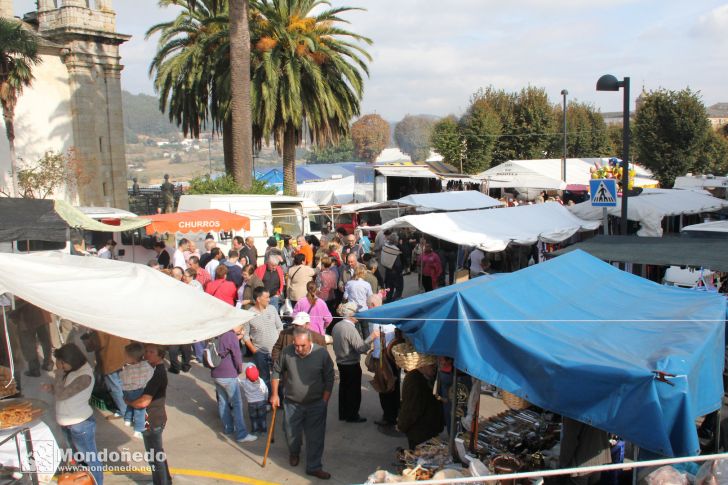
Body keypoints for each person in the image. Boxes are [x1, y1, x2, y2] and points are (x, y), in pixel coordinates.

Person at [270, 327, 335, 480]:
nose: (298, 349)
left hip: (316, 403)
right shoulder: (287, 351)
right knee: (291, 433)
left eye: (302, 346)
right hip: (291, 403)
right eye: (296, 345)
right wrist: (274, 394)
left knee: (315, 437)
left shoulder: (322, 354)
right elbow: (276, 371)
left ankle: (314, 467)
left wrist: (324, 400)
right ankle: (294, 452)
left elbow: (329, 377)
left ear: (310, 342)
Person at [42, 344, 103, 485]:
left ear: (72, 360)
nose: (61, 365)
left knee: (90, 460)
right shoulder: (73, 371)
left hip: (80, 425)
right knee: (78, 460)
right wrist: (51, 388)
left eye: (62, 362)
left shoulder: (84, 376)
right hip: (69, 424)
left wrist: (58, 372)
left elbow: (62, 395)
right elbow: (63, 391)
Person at [126, 344, 172, 485]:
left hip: (151, 420)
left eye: (151, 352)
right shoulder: (150, 369)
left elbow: (143, 402)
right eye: (146, 351)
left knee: (155, 456)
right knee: (157, 454)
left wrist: (128, 402)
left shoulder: (156, 374)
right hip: (155, 418)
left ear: (160, 355)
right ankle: (165, 480)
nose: (147, 354)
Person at [332, 302, 379, 423]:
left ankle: (344, 413)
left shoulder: (337, 326)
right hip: (351, 363)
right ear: (351, 315)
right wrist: (371, 337)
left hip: (341, 362)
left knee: (344, 389)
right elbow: (361, 348)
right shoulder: (350, 329)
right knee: (353, 391)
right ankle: (352, 415)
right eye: (356, 313)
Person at [211, 324, 256, 443]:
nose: (242, 328)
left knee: (223, 402)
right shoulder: (230, 336)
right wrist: (240, 369)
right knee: (237, 404)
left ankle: (228, 428)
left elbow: (224, 346)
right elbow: (237, 355)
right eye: (241, 326)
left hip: (216, 374)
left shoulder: (220, 332)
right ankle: (242, 434)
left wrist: (238, 337)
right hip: (228, 375)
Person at [366, 295, 401, 430]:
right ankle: (395, 412)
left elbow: (376, 340)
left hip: (383, 358)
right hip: (393, 356)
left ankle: (388, 416)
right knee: (395, 385)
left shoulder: (376, 320)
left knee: (384, 386)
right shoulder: (390, 315)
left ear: (374, 305)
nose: (368, 308)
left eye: (369, 306)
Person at [243, 287, 283, 393]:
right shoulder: (249, 314)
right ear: (258, 299)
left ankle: (279, 399)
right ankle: (267, 400)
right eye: (267, 297)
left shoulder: (272, 309)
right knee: (264, 378)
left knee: (278, 377)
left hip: (275, 352)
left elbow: (280, 327)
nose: (269, 299)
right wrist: (254, 351)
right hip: (260, 353)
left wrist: (279, 346)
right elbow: (245, 335)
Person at [398, 360, 444, 450]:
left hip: (428, 431)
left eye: (435, 364)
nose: (435, 367)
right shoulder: (414, 380)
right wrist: (402, 425)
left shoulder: (431, 377)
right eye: (431, 364)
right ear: (422, 365)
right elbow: (410, 410)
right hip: (419, 433)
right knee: (419, 458)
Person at [559, 418, 612, 485]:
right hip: (597, 457)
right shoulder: (596, 409)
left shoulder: (572, 412)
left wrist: (562, 464)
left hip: (581, 463)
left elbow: (569, 441)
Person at [9, 300, 53, 377]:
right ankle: (47, 364)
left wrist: (13, 316)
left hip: (26, 316)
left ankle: (35, 369)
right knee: (45, 340)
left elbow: (14, 301)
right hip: (39, 311)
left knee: (29, 344)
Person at [120, 342, 154, 438]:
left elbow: (122, 380)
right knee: (140, 410)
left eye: (125, 355)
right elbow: (151, 374)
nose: (124, 357)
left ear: (131, 358)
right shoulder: (146, 366)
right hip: (140, 390)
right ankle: (139, 429)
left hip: (127, 391)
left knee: (130, 404)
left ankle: (128, 419)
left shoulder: (126, 369)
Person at [96, 330, 132, 417]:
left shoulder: (99, 326)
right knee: (120, 383)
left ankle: (124, 410)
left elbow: (98, 343)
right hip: (123, 354)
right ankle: (128, 406)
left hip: (110, 360)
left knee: (114, 387)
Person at [241, 364, 269, 435]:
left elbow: (239, 381)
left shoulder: (244, 382)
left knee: (253, 418)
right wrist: (266, 398)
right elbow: (266, 390)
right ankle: (263, 431)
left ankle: (255, 430)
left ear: (246, 375)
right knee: (262, 417)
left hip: (251, 403)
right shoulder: (261, 381)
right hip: (261, 402)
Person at [382, 234, 404, 302]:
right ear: (396, 241)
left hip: (387, 271)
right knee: (399, 288)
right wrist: (401, 271)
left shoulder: (385, 246)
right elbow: (398, 265)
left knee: (389, 289)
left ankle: (388, 301)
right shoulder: (395, 250)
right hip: (395, 273)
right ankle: (394, 301)